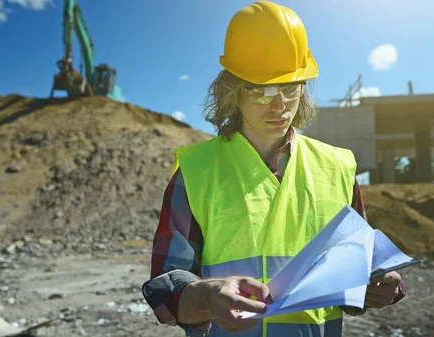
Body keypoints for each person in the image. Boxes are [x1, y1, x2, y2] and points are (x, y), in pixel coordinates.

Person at [142, 1, 406, 336]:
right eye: (260, 89)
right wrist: (209, 295)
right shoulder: (196, 172)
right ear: (233, 91)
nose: (279, 105)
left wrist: (374, 286)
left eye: (289, 87)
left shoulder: (338, 167)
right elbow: (165, 291)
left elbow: (353, 273)